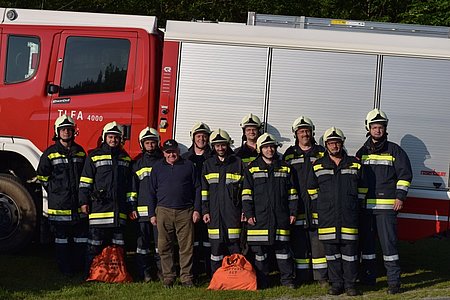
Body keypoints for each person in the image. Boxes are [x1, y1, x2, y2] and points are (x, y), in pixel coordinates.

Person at [356, 109, 412, 294]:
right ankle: (368, 279)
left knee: (389, 246)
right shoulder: (361, 152)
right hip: (366, 209)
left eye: (381, 127)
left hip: (386, 209)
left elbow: (404, 175)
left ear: (385, 129)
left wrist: (400, 197)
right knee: (367, 246)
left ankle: (394, 283)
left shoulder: (395, 150)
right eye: (374, 127)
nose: (378, 130)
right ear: (368, 128)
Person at [307, 127, 367, 296]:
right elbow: (312, 189)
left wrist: (356, 205)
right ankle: (336, 284)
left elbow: (363, 188)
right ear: (326, 145)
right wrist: (320, 207)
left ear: (342, 143)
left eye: (337, 142)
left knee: (350, 254)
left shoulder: (355, 163)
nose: (334, 145)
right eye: (331, 143)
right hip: (327, 217)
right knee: (332, 254)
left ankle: (350, 285)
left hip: (349, 216)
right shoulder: (318, 165)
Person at [242, 133, 297, 289]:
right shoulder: (252, 169)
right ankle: (262, 281)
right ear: (260, 149)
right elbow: (246, 194)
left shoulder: (285, 167)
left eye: (272, 146)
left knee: (283, 251)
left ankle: (287, 281)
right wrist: (249, 214)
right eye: (266, 147)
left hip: (280, 216)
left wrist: (293, 212)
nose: (270, 150)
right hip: (259, 218)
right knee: (260, 254)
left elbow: (292, 193)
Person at [79, 121, 134, 276]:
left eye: (116, 137)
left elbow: (130, 187)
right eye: (110, 137)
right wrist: (83, 202)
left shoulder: (125, 159)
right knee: (94, 244)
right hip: (99, 210)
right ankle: (89, 272)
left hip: (119, 210)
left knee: (118, 245)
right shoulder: (94, 156)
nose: (113, 140)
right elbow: (85, 182)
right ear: (104, 137)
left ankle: (117, 274)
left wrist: (130, 207)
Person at [37, 115, 87, 276]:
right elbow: (42, 176)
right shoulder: (50, 153)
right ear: (57, 132)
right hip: (60, 205)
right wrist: (54, 190)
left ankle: (78, 267)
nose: (66, 132)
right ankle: (65, 269)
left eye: (69, 129)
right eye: (63, 129)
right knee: (62, 239)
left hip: (77, 204)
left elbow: (85, 176)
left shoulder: (80, 152)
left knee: (80, 238)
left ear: (74, 131)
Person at [149, 139, 201, 288]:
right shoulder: (157, 167)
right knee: (164, 246)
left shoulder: (189, 166)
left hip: (185, 211)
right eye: (168, 151)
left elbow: (197, 188)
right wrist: (152, 213)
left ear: (178, 151)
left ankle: (186, 278)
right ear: (164, 153)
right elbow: (151, 192)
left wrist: (196, 209)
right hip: (163, 211)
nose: (171, 154)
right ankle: (168, 277)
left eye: (174, 151)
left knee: (186, 247)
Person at [283, 116, 328, 286]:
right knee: (299, 243)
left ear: (312, 132)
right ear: (296, 134)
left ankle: (321, 277)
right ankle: (302, 276)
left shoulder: (321, 153)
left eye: (307, 131)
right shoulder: (289, 154)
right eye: (301, 131)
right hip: (298, 205)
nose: (304, 134)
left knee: (318, 244)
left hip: (318, 205)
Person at [201, 129, 244, 275]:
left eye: (223, 145)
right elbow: (204, 192)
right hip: (213, 213)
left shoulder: (238, 163)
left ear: (228, 145)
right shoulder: (208, 164)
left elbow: (245, 190)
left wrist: (244, 210)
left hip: (233, 213)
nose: (220, 148)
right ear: (213, 146)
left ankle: (236, 275)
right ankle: (217, 276)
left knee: (235, 245)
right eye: (217, 145)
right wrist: (205, 211)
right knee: (216, 247)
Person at [130, 127, 163, 282]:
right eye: (147, 142)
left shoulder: (164, 161)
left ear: (158, 143)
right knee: (142, 245)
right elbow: (132, 189)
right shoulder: (137, 163)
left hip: (160, 210)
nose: (150, 145)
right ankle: (144, 273)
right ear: (142, 144)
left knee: (160, 244)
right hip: (142, 212)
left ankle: (161, 273)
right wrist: (132, 207)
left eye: (153, 142)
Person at [182, 122, 213, 278]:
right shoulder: (185, 159)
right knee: (191, 241)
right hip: (190, 205)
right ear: (193, 137)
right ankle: (193, 271)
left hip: (210, 205)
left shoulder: (214, 157)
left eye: (204, 136)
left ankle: (209, 272)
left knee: (209, 240)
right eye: (198, 136)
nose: (201, 139)